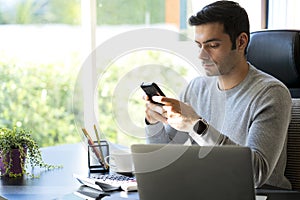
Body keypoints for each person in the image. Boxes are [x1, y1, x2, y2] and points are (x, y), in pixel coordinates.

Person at [143, 0, 292, 189]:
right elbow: (163, 158)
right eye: (199, 46)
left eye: (212, 46)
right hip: (207, 189)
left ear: (241, 42)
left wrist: (197, 125)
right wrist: (153, 122)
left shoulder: (271, 94)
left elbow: (255, 175)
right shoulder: (195, 88)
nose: (202, 56)